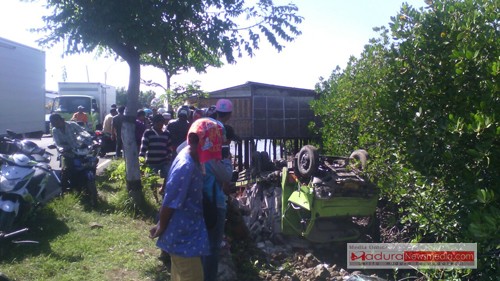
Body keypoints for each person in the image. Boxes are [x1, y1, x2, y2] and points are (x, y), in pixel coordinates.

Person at [149, 118, 223, 281]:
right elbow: (170, 202)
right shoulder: (186, 166)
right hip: (183, 238)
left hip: (189, 235)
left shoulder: (192, 157)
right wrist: (160, 226)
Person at [49, 113, 92, 189]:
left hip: (77, 149)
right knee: (67, 169)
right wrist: (61, 148)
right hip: (66, 153)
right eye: (52, 123)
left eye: (53, 122)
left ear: (59, 120)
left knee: (89, 163)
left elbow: (82, 132)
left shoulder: (72, 125)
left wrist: (90, 138)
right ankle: (64, 189)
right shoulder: (55, 130)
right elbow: (57, 142)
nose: (53, 124)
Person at [140, 114, 172, 194]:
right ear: (153, 123)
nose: (159, 126)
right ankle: (155, 196)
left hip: (164, 160)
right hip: (151, 162)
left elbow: (169, 148)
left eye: (161, 124)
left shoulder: (166, 133)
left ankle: (163, 189)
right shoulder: (148, 133)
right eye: (157, 124)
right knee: (151, 180)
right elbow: (143, 147)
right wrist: (141, 160)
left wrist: (169, 158)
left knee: (169, 175)